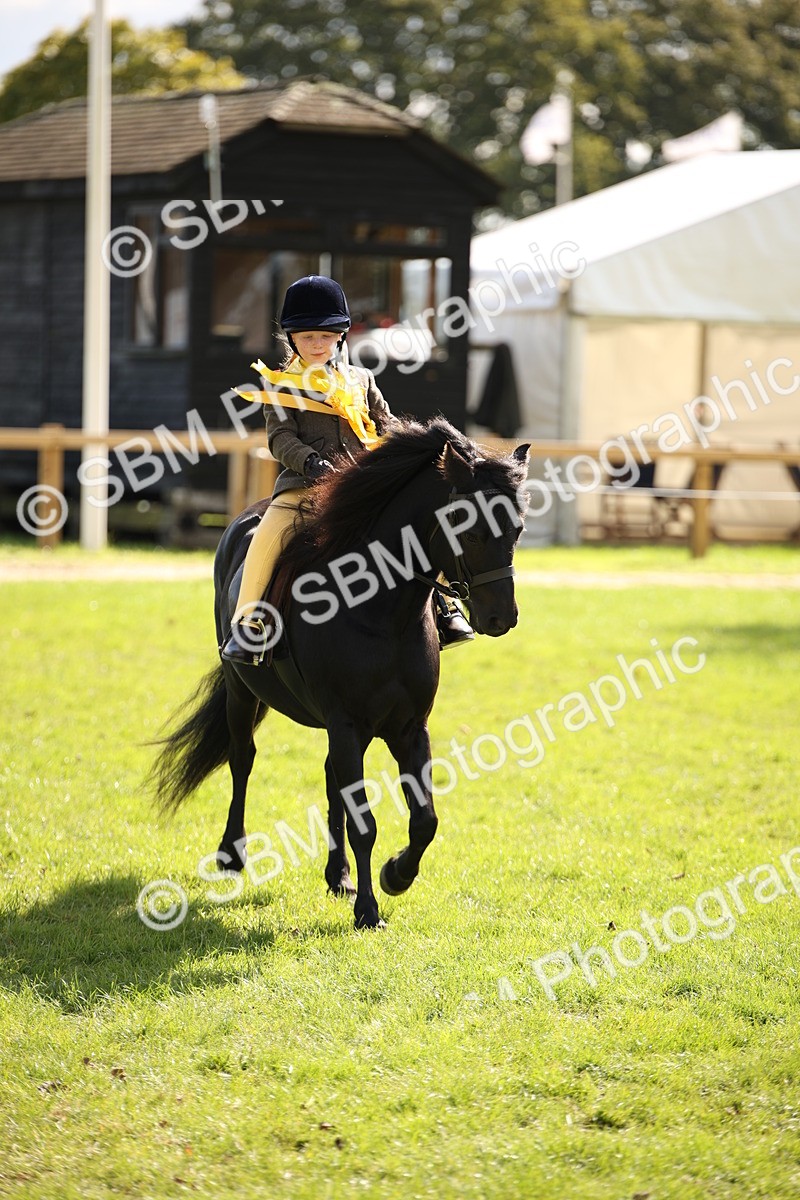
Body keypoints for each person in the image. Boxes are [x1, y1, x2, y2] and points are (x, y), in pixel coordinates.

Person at [221, 274, 474, 664]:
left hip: (364, 486)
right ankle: (250, 622)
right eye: (307, 337)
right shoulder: (281, 385)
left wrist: (411, 446)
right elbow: (280, 438)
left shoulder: (361, 379)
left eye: (325, 336)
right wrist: (311, 462)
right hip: (306, 486)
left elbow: (386, 423)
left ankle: (445, 608)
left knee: (420, 523)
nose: (317, 344)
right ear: (292, 339)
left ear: (340, 336)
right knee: (266, 538)